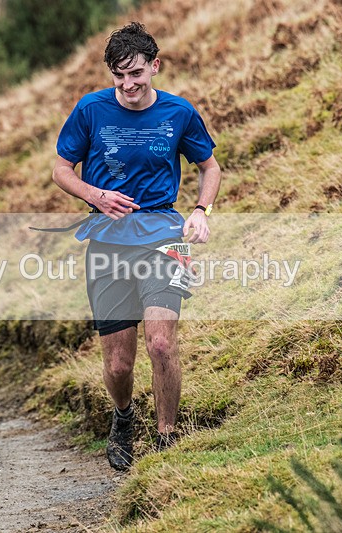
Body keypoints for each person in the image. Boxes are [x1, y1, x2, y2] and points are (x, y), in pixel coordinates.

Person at [51, 22, 221, 471]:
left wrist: (201, 210)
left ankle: (167, 439)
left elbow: (210, 166)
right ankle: (123, 417)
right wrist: (96, 195)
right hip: (107, 243)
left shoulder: (179, 113)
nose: (128, 85)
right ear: (111, 74)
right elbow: (61, 170)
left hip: (165, 235)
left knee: (162, 344)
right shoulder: (90, 110)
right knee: (119, 365)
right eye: (119, 75)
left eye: (137, 74)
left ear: (155, 67)